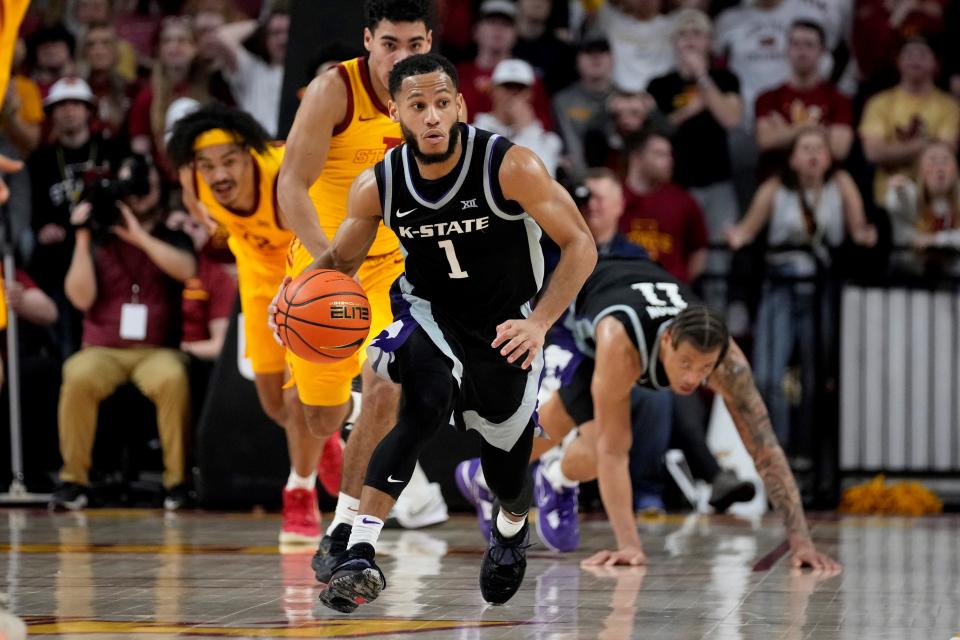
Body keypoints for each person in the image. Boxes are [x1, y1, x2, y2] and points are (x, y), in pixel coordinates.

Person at [280, 52, 596, 611]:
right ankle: (359, 552)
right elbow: (340, 262)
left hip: (507, 325)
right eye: (418, 105)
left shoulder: (510, 166)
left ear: (460, 106)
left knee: (506, 469)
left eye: (442, 103)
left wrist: (540, 322)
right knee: (420, 401)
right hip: (430, 313)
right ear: (397, 112)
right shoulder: (378, 184)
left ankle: (511, 526)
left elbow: (581, 245)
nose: (431, 116)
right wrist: (294, 296)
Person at [524, 256, 841, 571]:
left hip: (636, 287)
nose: (692, 378)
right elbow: (615, 453)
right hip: (574, 311)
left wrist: (802, 543)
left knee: (591, 451)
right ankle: (483, 472)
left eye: (704, 368)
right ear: (667, 341)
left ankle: (555, 479)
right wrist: (629, 546)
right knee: (564, 429)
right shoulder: (620, 341)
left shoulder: (728, 363)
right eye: (686, 363)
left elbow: (766, 450)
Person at [276, 0, 433, 581]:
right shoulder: (332, 90)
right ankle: (342, 428)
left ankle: (344, 530)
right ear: (368, 39)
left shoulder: (431, 96)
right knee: (321, 418)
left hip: (395, 267)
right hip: (325, 262)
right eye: (390, 43)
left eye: (414, 45)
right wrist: (327, 266)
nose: (402, 57)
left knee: (386, 387)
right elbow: (291, 185)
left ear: (429, 42)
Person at [166, 104, 342, 544]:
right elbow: (202, 211)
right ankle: (328, 443)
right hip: (257, 283)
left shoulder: (284, 169)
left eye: (228, 161)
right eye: (207, 165)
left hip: (303, 273)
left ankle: (299, 494)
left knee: (297, 387)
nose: (218, 174)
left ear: (249, 155)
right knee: (275, 404)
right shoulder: (194, 181)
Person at [49, 154, 196, 512]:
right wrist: (82, 238)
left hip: (157, 350)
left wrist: (140, 237)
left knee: (173, 378)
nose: (139, 194)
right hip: (103, 348)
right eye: (130, 186)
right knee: (77, 374)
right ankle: (73, 480)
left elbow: (187, 270)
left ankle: (177, 482)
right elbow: (79, 297)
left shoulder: (172, 235)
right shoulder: (98, 238)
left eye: (146, 186)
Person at [727, 127, 876, 460]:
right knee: (767, 374)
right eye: (805, 148)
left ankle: (809, 456)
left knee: (817, 376)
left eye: (819, 149)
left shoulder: (841, 185)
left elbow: (859, 229)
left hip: (821, 285)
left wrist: (867, 235)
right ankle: (773, 453)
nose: (812, 155)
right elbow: (746, 230)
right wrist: (736, 238)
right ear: (792, 158)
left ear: (828, 157)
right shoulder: (774, 188)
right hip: (781, 281)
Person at [859, 36, 960, 205]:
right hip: (888, 196)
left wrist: (893, 151)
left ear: (935, 63)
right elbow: (873, 153)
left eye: (922, 55)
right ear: (898, 61)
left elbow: (946, 150)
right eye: (909, 54)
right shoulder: (879, 103)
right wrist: (926, 144)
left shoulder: (949, 106)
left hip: (936, 196)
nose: (915, 59)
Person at [755, 20, 853, 176]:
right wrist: (815, 129)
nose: (802, 51)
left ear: (822, 52)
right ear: (787, 49)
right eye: (796, 44)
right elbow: (765, 141)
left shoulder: (839, 99)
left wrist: (786, 132)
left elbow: (839, 150)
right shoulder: (767, 98)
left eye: (809, 45)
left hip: (825, 181)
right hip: (777, 178)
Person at [473, 58, 562, 177]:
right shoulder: (474, 133)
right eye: (507, 86)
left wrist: (527, 131)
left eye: (520, 88)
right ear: (493, 90)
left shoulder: (548, 141)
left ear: (530, 94)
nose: (513, 94)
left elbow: (542, 180)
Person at [885, 142, 960, 275]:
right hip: (911, 280)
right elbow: (895, 205)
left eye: (945, 160)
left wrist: (936, 240)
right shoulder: (910, 193)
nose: (939, 167)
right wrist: (898, 191)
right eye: (932, 160)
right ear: (919, 169)